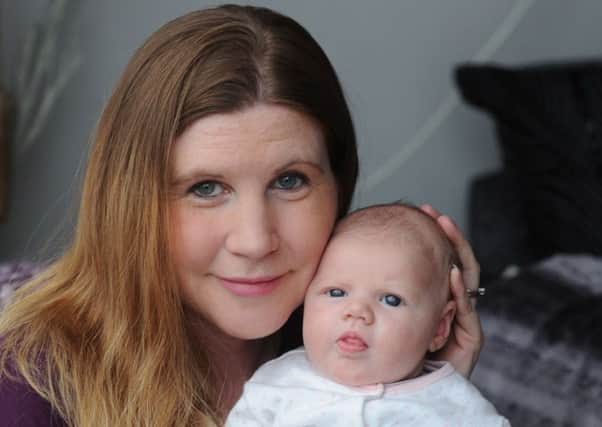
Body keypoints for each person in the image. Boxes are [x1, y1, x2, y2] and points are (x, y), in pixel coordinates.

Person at [0, 5, 483, 427]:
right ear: (130, 202)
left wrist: (424, 394)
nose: (255, 241)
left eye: (290, 181)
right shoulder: (27, 388)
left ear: (339, 185)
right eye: (206, 188)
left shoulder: (353, 339)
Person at [226, 202, 507, 426]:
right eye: (336, 293)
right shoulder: (278, 384)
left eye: (390, 299)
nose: (357, 312)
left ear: (439, 329)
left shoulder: (455, 405)